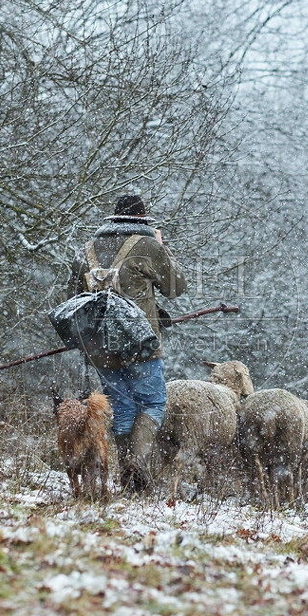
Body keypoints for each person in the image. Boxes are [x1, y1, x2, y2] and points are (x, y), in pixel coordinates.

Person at [67, 195, 187, 493]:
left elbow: (72, 300)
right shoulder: (148, 246)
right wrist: (163, 246)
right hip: (140, 344)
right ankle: (136, 463)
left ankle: (126, 471)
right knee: (153, 403)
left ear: (113, 218)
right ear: (143, 220)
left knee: (121, 405)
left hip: (100, 347)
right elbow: (176, 288)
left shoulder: (87, 251)